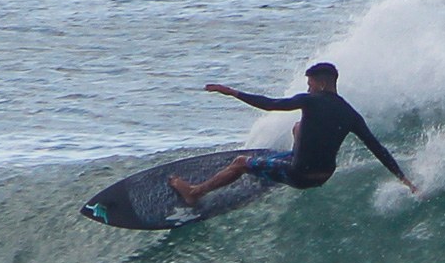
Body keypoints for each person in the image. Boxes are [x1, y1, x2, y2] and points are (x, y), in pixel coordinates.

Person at [169, 62, 420, 206]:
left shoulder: (310, 101)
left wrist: (232, 92)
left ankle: (195, 192)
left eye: (310, 84)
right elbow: (378, 149)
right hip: (323, 176)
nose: (308, 88)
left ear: (320, 84)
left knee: (240, 163)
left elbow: (270, 104)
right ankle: (279, 165)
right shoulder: (350, 113)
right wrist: (404, 180)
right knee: (298, 128)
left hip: (299, 175)